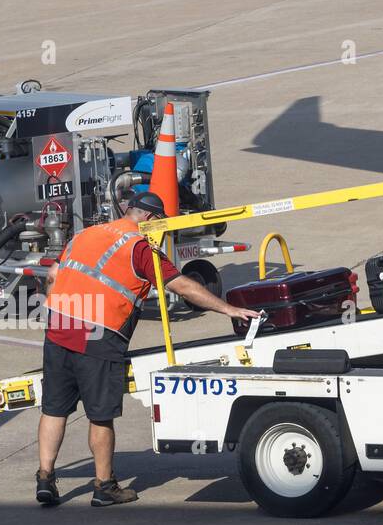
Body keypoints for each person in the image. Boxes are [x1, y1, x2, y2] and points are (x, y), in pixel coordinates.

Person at [35, 191, 260, 507]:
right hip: (99, 336)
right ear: (152, 219)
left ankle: (45, 478)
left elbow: (53, 275)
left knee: (54, 408)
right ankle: (104, 486)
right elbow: (180, 285)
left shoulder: (85, 234)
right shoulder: (140, 248)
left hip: (58, 329)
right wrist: (228, 309)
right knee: (100, 415)